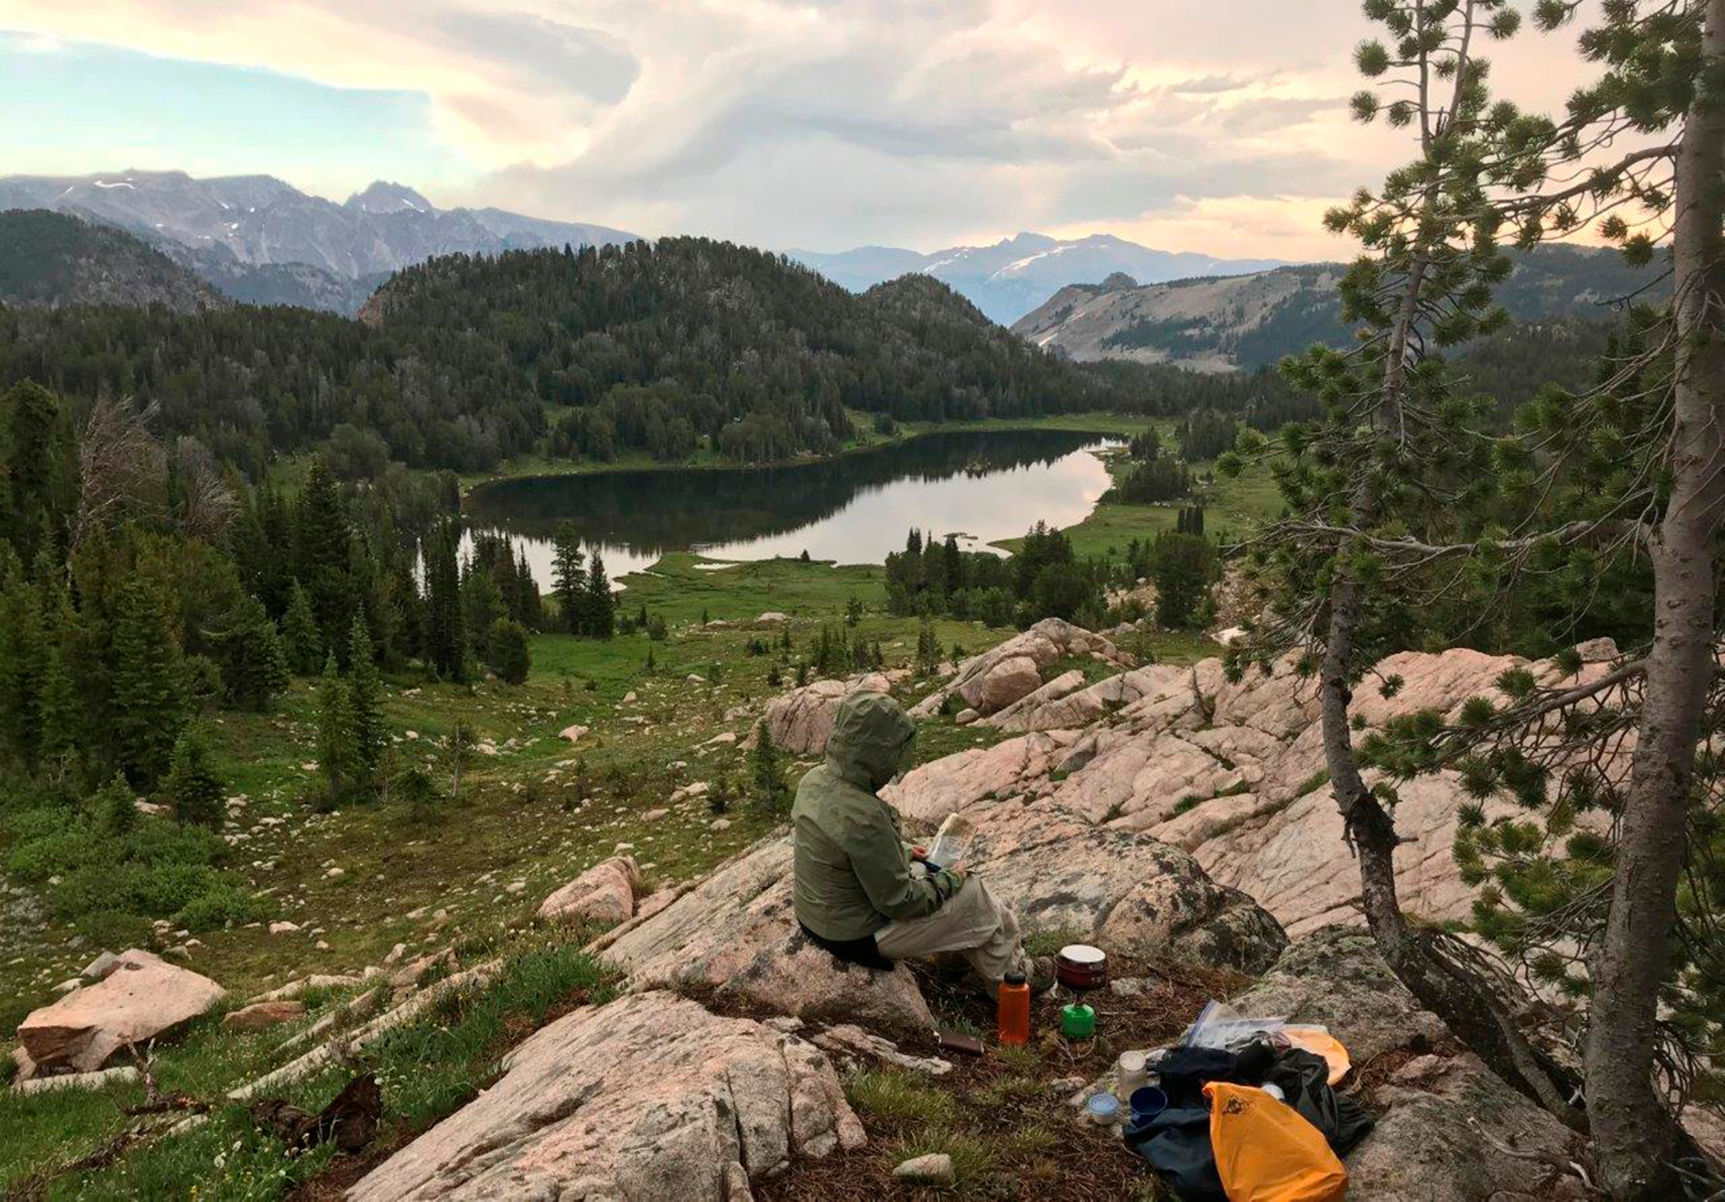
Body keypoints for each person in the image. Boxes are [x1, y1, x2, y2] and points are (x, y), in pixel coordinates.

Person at [792, 689, 1052, 989]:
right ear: (875, 753)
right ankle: (1013, 982)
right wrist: (949, 880)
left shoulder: (814, 780)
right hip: (854, 936)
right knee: (973, 894)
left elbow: (844, 848)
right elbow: (899, 902)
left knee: (925, 870)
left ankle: (956, 958)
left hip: (819, 919)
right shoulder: (865, 816)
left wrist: (900, 851)